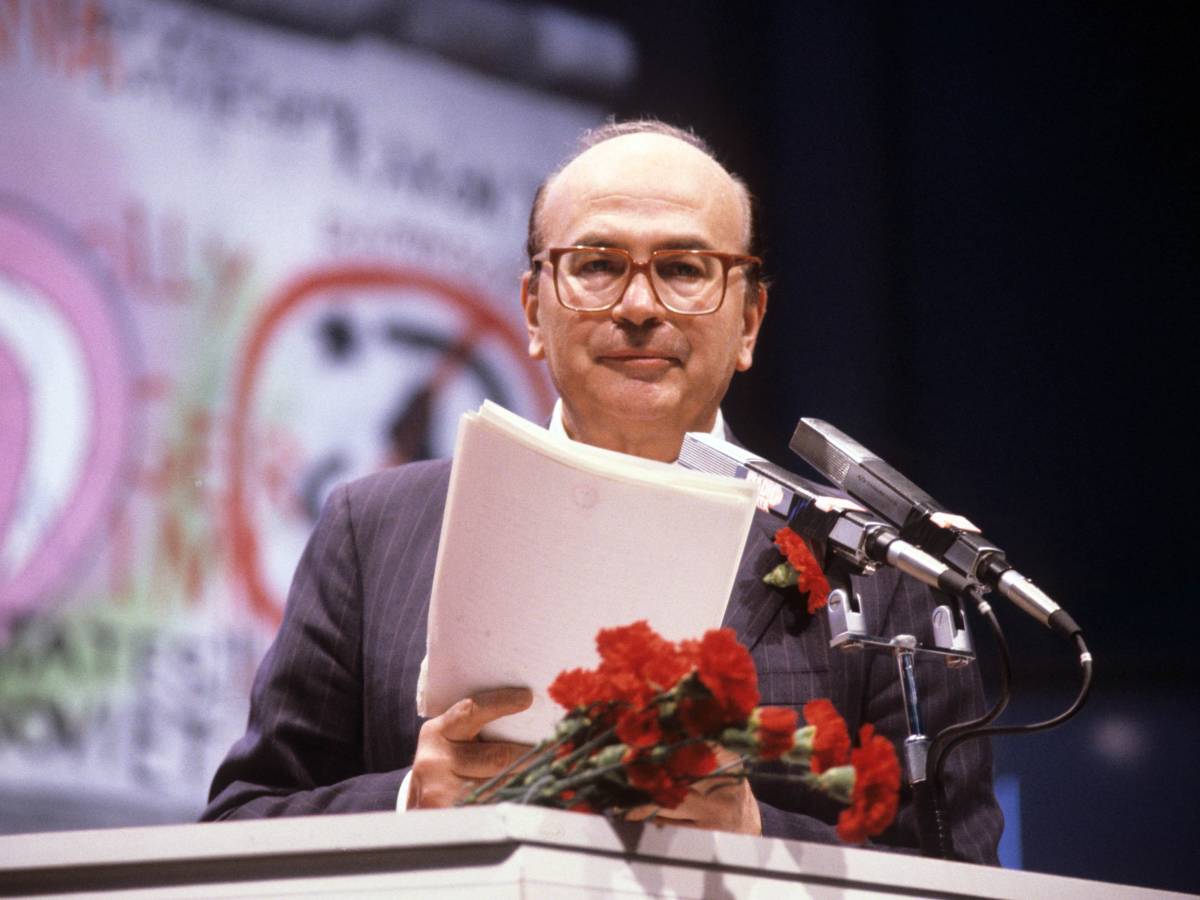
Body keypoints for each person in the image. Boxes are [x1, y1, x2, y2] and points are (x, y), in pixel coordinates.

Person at [203, 120, 1003, 862]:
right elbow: (239, 826)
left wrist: (755, 840)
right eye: (596, 265)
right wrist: (414, 800)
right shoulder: (372, 531)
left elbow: (959, 873)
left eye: (686, 269)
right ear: (532, 310)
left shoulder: (881, 568)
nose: (639, 306)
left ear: (750, 321)